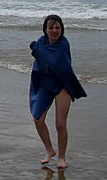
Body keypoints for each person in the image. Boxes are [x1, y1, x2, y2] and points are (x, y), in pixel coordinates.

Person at [29, 14, 86, 169]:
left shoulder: (63, 44)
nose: (54, 31)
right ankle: (49, 150)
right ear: (45, 30)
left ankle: (62, 157)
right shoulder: (41, 42)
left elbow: (56, 64)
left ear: (62, 29)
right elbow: (40, 65)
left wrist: (38, 51)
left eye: (57, 28)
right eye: (51, 28)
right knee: (37, 119)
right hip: (45, 84)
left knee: (60, 125)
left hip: (62, 85)